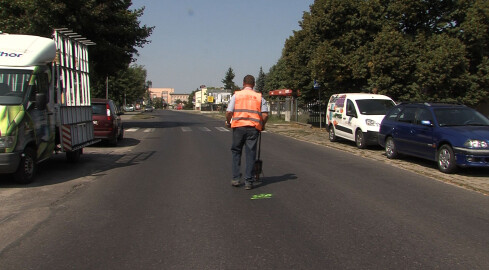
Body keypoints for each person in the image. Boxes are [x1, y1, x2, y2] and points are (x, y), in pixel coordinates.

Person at [226, 75, 269, 190]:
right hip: (253, 128)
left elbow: (229, 112)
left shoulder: (237, 95)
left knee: (236, 151)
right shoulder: (259, 97)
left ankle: (235, 179)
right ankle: (248, 181)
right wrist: (262, 125)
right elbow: (265, 114)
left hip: (238, 128)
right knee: (250, 154)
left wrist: (228, 122)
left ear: (243, 83)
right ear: (254, 84)